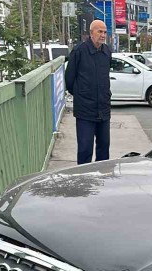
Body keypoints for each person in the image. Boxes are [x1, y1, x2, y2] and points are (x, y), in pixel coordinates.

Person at [65, 20, 112, 165]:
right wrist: (82, 95)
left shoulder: (107, 52)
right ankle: (84, 177)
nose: (103, 35)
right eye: (100, 31)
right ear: (91, 33)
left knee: (104, 148)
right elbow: (69, 79)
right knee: (85, 150)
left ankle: (102, 176)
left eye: (105, 32)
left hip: (103, 109)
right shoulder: (79, 51)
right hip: (85, 111)